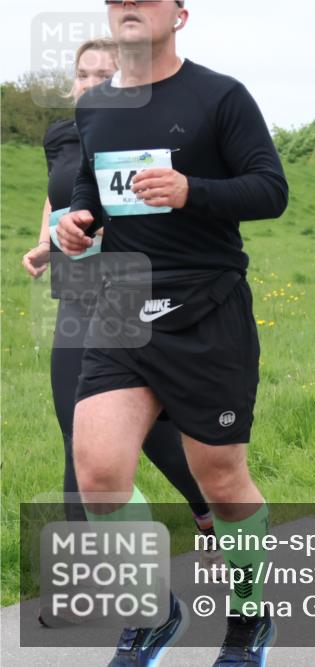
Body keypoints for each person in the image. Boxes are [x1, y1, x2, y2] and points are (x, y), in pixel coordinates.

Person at [56, 1, 287, 664]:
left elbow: (271, 190)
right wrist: (78, 218)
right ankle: (154, 612)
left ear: (180, 14)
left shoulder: (220, 96)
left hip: (206, 306)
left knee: (220, 477)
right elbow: (90, 187)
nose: (128, 2)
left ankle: (249, 615)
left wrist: (192, 190)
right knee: (100, 473)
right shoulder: (96, 106)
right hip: (122, 303)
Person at [21, 38, 219, 562]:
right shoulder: (62, 135)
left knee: (147, 426)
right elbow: (56, 193)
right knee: (78, 423)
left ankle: (206, 506)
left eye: (103, 74)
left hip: (131, 289)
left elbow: (161, 210)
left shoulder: (143, 136)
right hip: (76, 290)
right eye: (83, 74)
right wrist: (45, 242)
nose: (90, 83)